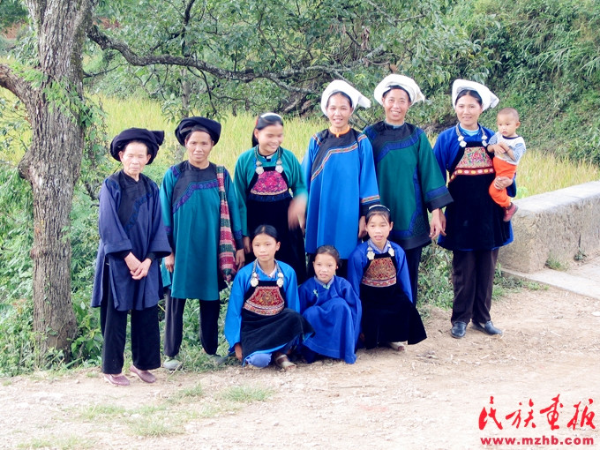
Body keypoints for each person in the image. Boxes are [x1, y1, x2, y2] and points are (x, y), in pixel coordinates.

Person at [160, 117, 245, 370]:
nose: (198, 148)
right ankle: (171, 354)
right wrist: (167, 252)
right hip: (180, 248)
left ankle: (210, 350)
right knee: (175, 299)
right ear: (185, 144)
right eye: (193, 143)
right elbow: (163, 215)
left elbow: (234, 209)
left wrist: (239, 246)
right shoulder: (174, 174)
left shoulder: (221, 174)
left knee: (210, 299)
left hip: (212, 247)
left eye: (204, 143)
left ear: (212, 145)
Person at [433, 79, 515, 339]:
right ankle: (460, 319)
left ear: (481, 108)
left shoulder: (494, 138)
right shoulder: (446, 139)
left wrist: (508, 182)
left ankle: (482, 317)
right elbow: (435, 177)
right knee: (463, 268)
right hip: (461, 214)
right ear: (455, 107)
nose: (466, 111)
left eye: (471, 106)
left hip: (490, 213)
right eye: (461, 106)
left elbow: (509, 168)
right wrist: (437, 211)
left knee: (487, 266)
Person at [91, 128, 171, 386]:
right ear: (121, 156)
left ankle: (141, 364)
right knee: (115, 314)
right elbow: (107, 225)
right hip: (117, 261)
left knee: (146, 311)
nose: (135, 161)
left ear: (148, 158)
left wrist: (148, 260)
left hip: (145, 262)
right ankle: (112, 369)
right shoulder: (111, 185)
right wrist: (128, 257)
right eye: (130, 156)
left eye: (141, 156)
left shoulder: (151, 187)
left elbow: (158, 226)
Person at [364, 74, 453, 304]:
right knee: (374, 271)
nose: (396, 106)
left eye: (402, 101)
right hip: (376, 217)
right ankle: (376, 322)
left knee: (408, 272)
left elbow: (430, 175)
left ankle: (406, 320)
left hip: (410, 217)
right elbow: (359, 176)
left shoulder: (417, 136)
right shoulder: (369, 135)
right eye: (391, 100)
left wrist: (436, 213)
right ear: (383, 101)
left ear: (409, 104)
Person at [302, 79, 380, 278]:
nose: (338, 113)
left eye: (343, 108)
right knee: (318, 262)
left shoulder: (360, 141)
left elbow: (368, 182)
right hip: (320, 212)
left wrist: (365, 217)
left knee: (346, 263)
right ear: (326, 109)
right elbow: (303, 181)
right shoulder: (317, 140)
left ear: (351, 110)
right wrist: (302, 212)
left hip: (349, 214)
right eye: (333, 108)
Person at [224, 225, 314, 371]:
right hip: (253, 329)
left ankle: (280, 351)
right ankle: (275, 354)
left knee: (294, 317)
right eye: (257, 245)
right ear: (251, 247)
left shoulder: (287, 272)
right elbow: (234, 311)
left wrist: (290, 338)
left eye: (267, 244)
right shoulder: (244, 275)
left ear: (277, 246)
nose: (262, 250)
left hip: (278, 324)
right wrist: (236, 344)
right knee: (260, 361)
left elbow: (292, 306)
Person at [234, 112, 307, 283]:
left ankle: (289, 300)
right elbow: (239, 201)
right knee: (256, 274)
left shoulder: (288, 157)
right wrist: (244, 235)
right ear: (257, 133)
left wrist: (300, 202)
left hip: (285, 224)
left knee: (289, 270)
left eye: (279, 135)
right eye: (270, 135)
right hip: (255, 225)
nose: (276, 140)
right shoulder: (244, 160)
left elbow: (300, 186)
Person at [347, 205, 427, 351]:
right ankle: (370, 337)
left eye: (382, 225)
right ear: (366, 227)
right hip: (370, 299)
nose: (378, 230)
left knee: (405, 307)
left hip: (391, 296)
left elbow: (405, 283)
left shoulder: (397, 251)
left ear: (390, 226)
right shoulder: (358, 255)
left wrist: (408, 305)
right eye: (373, 226)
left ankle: (393, 338)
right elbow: (354, 289)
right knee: (373, 315)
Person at [298, 245, 362, 364]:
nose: (324, 270)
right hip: (316, 329)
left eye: (329, 265)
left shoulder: (343, 285)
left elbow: (355, 310)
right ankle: (312, 351)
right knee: (311, 313)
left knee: (340, 305)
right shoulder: (306, 287)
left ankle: (338, 350)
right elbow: (299, 313)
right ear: (313, 264)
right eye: (319, 265)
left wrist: (353, 338)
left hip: (337, 329)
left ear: (337, 266)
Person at [487, 107, 526, 222]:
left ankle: (509, 206)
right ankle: (504, 207)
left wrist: (506, 148)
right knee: (500, 190)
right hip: (498, 168)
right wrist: (494, 147)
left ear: (517, 125)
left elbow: (516, 157)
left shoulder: (518, 142)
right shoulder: (497, 136)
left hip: (507, 169)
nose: (503, 128)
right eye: (500, 124)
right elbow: (488, 147)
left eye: (507, 124)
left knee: (494, 190)